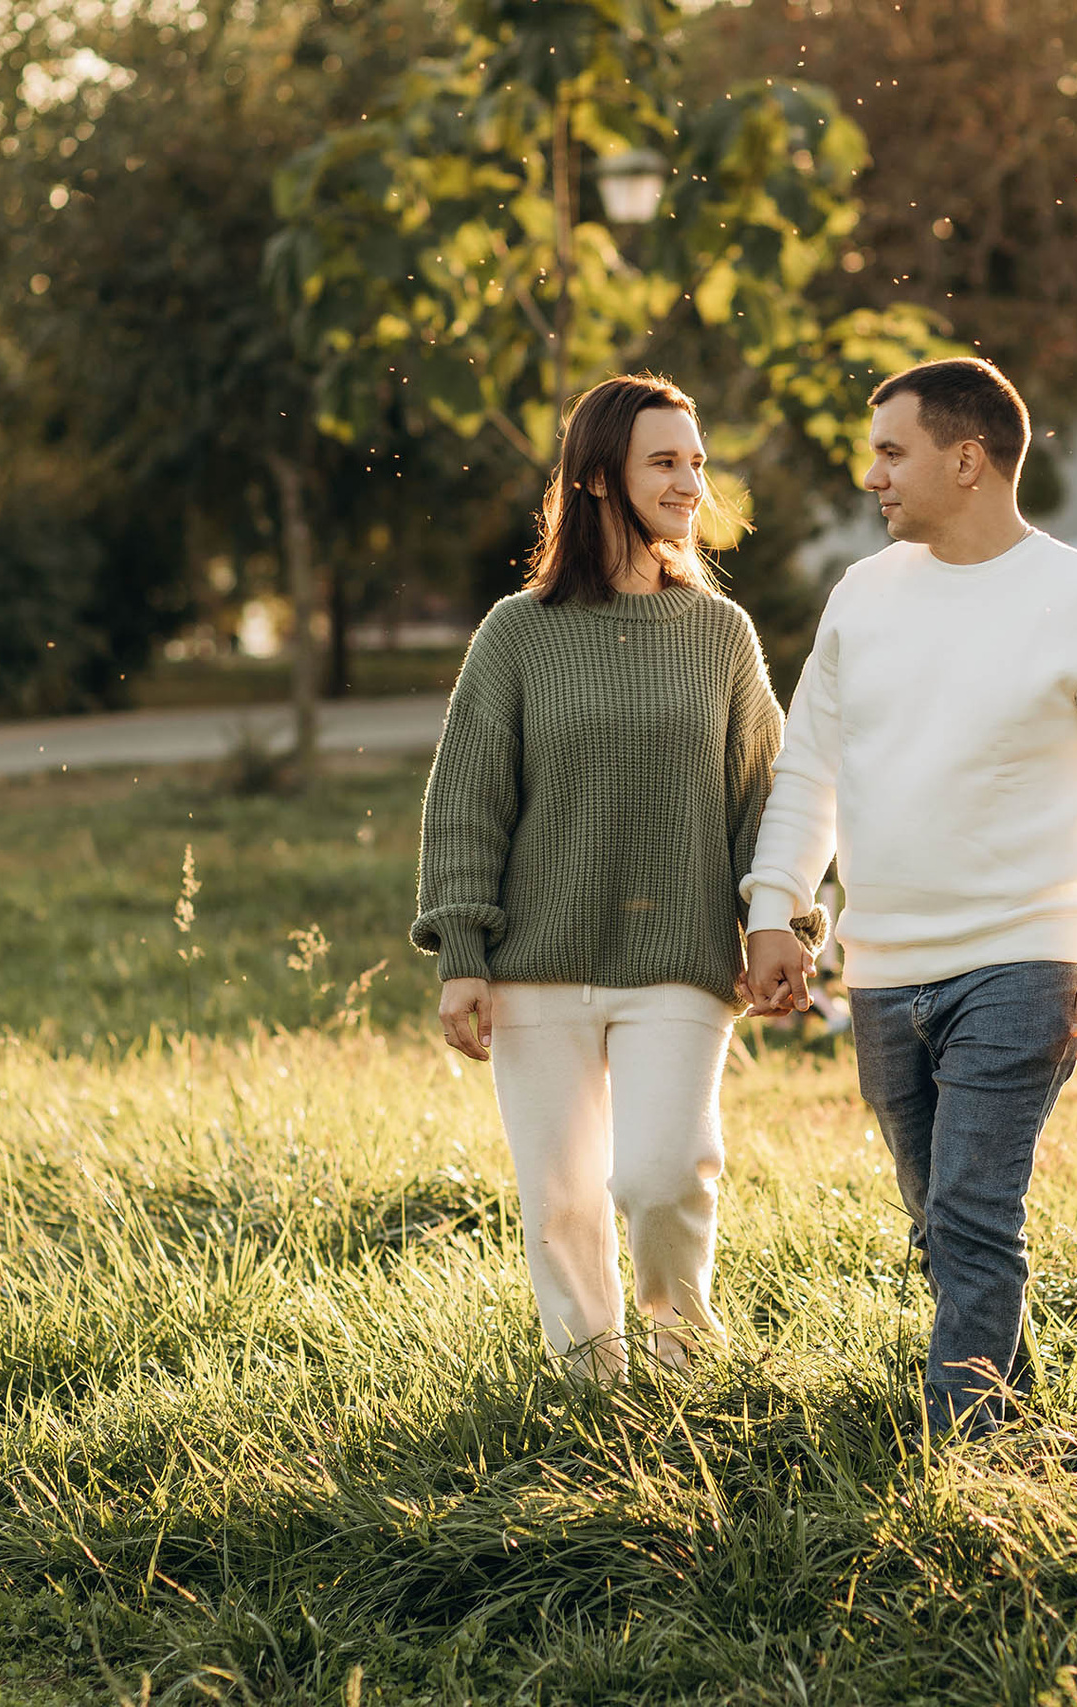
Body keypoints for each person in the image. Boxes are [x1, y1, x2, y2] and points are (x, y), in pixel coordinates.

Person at [742, 357, 1077, 1438]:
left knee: (970, 1208)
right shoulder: (865, 596)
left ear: (967, 459)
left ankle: (967, 1453)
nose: (872, 478)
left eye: (891, 453)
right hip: (885, 965)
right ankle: (1014, 1407)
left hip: (1027, 957)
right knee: (939, 1222)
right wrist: (776, 908)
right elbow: (810, 766)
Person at [411, 373, 820, 1382]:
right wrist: (462, 952)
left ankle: (684, 1371)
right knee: (558, 1200)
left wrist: (784, 927)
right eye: (665, 462)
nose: (691, 481)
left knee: (660, 1173)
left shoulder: (717, 633)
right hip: (535, 964)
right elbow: (468, 800)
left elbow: (765, 799)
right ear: (598, 479)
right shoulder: (517, 632)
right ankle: (590, 1391)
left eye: (695, 460)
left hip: (680, 959)